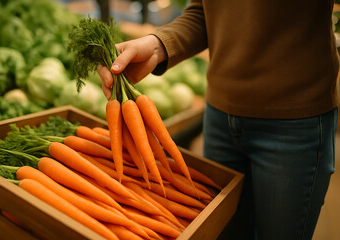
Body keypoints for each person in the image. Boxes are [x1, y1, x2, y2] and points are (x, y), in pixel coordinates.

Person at [97, 1, 339, 239]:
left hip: (293, 121)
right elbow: (204, 13)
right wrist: (158, 45)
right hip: (220, 117)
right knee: (222, 231)